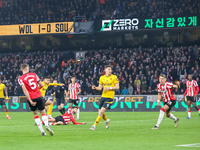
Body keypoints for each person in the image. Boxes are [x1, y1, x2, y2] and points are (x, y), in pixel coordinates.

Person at [18, 63, 54, 136]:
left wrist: (30, 100)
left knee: (35, 114)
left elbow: (25, 90)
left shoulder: (20, 79)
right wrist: (37, 90)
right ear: (27, 69)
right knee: (43, 112)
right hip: (39, 96)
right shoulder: (34, 75)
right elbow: (42, 85)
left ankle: (42, 131)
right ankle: (47, 125)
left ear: (22, 70)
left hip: (31, 97)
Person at [90, 65, 119, 130]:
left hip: (110, 97)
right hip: (103, 96)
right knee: (100, 112)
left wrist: (109, 88)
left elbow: (117, 87)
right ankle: (106, 120)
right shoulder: (102, 78)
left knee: (101, 111)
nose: (110, 70)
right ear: (105, 70)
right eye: (108, 69)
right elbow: (100, 88)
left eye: (110, 69)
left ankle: (94, 126)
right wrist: (95, 87)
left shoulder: (114, 77)